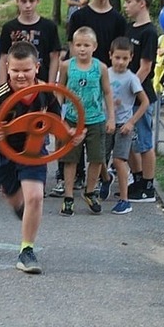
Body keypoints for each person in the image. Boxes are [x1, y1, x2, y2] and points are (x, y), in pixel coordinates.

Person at [0, 41, 79, 274]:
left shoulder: (45, 93)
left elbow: (58, 124)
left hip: (33, 152)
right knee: (18, 202)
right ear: (7, 67)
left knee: (34, 197)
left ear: (37, 67)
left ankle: (26, 251)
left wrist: (70, 135)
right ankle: (17, 203)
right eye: (15, 70)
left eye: (26, 70)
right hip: (3, 154)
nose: (21, 75)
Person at [57, 27, 115, 217]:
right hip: (73, 120)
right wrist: (58, 115)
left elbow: (107, 92)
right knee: (70, 159)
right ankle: (68, 196)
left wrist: (111, 117)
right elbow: (60, 90)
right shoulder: (66, 66)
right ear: (73, 46)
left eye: (86, 45)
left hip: (95, 119)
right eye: (78, 45)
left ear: (94, 46)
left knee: (97, 158)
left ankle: (90, 192)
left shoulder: (101, 67)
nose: (82, 49)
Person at [103, 37, 150, 215]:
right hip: (106, 122)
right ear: (110, 56)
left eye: (124, 58)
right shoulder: (105, 73)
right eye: (117, 58)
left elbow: (144, 102)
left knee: (119, 160)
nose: (120, 62)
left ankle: (125, 199)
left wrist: (131, 122)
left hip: (123, 125)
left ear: (131, 58)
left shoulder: (131, 79)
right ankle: (106, 179)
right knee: (99, 158)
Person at [122, 0, 159, 203]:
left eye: (129, 1)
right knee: (129, 141)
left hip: (141, 95)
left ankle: (148, 185)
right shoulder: (130, 28)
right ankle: (136, 179)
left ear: (142, 3)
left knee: (144, 142)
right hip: (127, 97)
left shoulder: (149, 32)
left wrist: (130, 88)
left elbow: (145, 67)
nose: (125, 6)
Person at [0, 0, 60, 86]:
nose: (28, 5)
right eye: (23, 1)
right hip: (15, 84)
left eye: (31, 1)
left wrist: (51, 85)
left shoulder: (49, 27)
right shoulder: (8, 27)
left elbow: (54, 57)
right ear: (17, 1)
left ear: (38, 1)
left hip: (40, 83)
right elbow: (3, 58)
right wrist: (3, 86)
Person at [67, 0, 127, 68]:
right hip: (81, 74)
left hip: (107, 75)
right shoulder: (78, 16)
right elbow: (73, 48)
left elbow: (120, 52)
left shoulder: (119, 21)